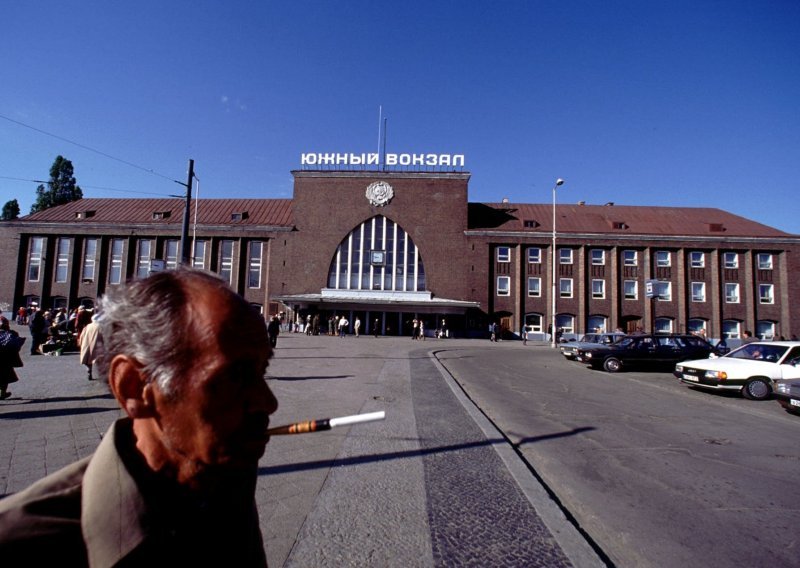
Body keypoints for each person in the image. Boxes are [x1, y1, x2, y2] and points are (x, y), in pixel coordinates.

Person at [0, 267, 278, 565]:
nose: (268, 402)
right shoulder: (19, 544)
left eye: (261, 371)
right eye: (234, 377)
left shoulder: (228, 484)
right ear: (134, 386)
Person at [0, 316, 25, 400]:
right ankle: (2, 393)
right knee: (5, 376)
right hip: (6, 359)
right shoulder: (12, 333)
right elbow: (16, 345)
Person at [79, 314, 104, 380]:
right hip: (98, 345)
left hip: (87, 344)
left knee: (87, 360)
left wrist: (81, 344)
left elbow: (82, 336)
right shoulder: (101, 326)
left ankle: (89, 371)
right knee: (101, 360)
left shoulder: (87, 326)